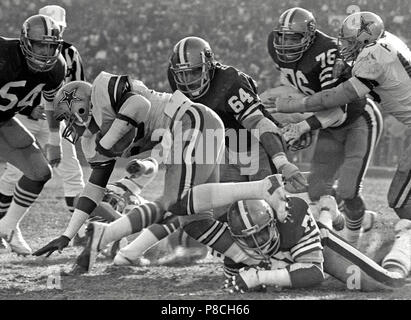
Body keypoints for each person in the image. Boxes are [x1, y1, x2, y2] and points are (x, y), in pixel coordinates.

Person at [32, 73, 292, 273]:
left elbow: (139, 105)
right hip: (183, 134)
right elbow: (93, 189)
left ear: (81, 109)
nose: (68, 125)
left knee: (178, 202)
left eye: (68, 118)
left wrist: (106, 142)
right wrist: (67, 235)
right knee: (195, 220)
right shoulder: (96, 136)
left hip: (192, 120)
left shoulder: (105, 94)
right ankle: (252, 262)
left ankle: (262, 188)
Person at [112, 36, 310, 266]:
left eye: (194, 72)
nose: (187, 80)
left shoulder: (229, 82)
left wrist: (282, 162)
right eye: (182, 74)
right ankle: (136, 251)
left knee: (266, 211)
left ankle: (292, 256)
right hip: (221, 148)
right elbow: (180, 120)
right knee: (198, 206)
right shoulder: (175, 79)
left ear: (209, 66)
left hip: (257, 147)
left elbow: (260, 124)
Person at [273, 11, 411, 277]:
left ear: (366, 42)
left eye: (350, 42)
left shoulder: (373, 57)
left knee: (398, 199)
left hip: (371, 119)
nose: (344, 47)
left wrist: (296, 106)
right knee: (398, 198)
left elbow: (336, 97)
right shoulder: (384, 42)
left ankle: (404, 243)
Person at [263, 7, 383, 247]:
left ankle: (353, 243)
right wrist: (294, 117)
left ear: (308, 35)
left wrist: (305, 125)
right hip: (328, 122)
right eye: (283, 36)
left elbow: (338, 106)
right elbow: (296, 90)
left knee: (349, 189)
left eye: (294, 37)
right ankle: (344, 217)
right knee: (317, 190)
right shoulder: (277, 48)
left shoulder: (330, 53)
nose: (286, 43)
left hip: (358, 118)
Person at [0, 5, 85, 251]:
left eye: (51, 45)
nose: (46, 52)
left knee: (40, 172)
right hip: (13, 117)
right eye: (40, 45)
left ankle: (6, 228)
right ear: (26, 41)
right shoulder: (4, 54)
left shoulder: (57, 67)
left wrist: (54, 139)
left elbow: (52, 100)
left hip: (4, 120)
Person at [223, 198, 405, 292]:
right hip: (294, 254)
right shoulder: (231, 246)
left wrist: (259, 277)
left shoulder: (291, 225)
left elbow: (313, 273)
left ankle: (405, 242)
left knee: (387, 283)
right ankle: (327, 210)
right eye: (249, 238)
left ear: (273, 222)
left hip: (320, 245)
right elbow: (232, 282)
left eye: (261, 233)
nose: (257, 242)